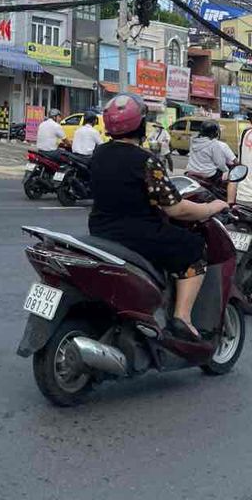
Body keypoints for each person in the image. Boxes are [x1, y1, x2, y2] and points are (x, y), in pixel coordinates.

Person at [89, 92, 227, 341]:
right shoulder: (146, 161)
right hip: (138, 235)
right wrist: (212, 207)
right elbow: (175, 209)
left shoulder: (98, 154)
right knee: (193, 247)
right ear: (140, 125)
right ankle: (182, 317)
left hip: (100, 231)